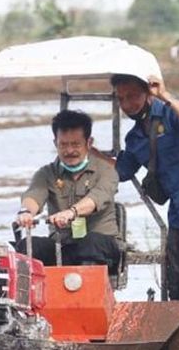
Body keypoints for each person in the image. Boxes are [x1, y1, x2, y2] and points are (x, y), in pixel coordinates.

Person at [104, 73, 179, 302]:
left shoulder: (170, 111)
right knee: (175, 283)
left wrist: (164, 94)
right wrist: (86, 152)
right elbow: (121, 171)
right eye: (121, 99)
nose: (127, 104)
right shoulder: (135, 138)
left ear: (147, 92)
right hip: (178, 212)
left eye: (132, 96)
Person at [15, 109, 120, 271]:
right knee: (27, 247)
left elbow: (96, 198)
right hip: (63, 246)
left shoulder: (107, 170)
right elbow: (34, 194)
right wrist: (26, 212)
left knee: (90, 243)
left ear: (89, 143)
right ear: (55, 143)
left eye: (76, 144)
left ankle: (86, 295)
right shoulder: (47, 173)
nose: (69, 151)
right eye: (63, 145)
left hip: (101, 247)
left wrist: (72, 212)